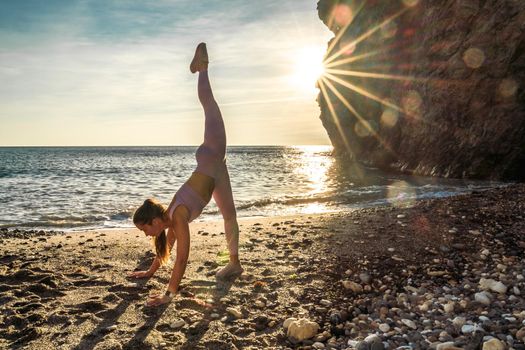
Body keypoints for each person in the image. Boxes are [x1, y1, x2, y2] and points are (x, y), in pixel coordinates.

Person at [129, 43, 243, 307]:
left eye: (144, 228)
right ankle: (234, 264)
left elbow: (182, 259)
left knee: (209, 105)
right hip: (216, 172)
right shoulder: (169, 221)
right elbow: (166, 250)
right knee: (230, 215)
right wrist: (149, 273)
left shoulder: (177, 216)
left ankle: (202, 66)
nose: (146, 234)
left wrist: (167, 296)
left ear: (153, 220)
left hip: (211, 154)